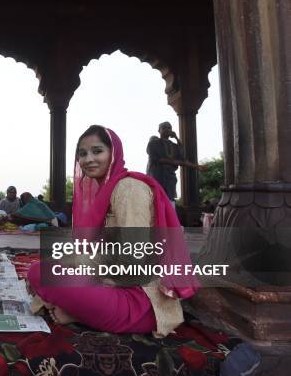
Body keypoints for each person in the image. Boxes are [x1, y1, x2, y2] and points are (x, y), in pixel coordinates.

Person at [28, 125, 198, 337]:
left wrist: (80, 266)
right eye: (82, 154)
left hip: (141, 302)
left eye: (97, 151)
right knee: (49, 267)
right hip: (115, 284)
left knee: (39, 272)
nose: (88, 159)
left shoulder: (128, 189)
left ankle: (77, 313)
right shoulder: (107, 190)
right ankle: (78, 310)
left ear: (113, 153)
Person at [146, 121, 206, 202]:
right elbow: (154, 158)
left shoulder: (174, 146)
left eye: (169, 128)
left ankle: (171, 213)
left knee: (170, 199)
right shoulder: (153, 143)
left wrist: (197, 166)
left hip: (170, 177)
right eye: (164, 127)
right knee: (156, 198)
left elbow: (183, 159)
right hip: (157, 175)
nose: (167, 129)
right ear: (159, 130)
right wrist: (173, 162)